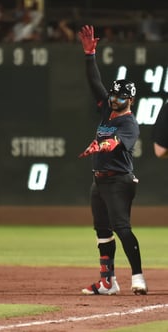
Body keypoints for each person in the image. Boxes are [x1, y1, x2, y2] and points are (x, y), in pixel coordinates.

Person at [77, 25, 147, 295]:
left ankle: (138, 277)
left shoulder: (130, 123)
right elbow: (95, 83)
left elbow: (116, 142)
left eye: (119, 96)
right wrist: (89, 55)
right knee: (102, 231)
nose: (114, 98)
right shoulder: (108, 108)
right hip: (100, 182)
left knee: (122, 227)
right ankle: (108, 281)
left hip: (120, 182)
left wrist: (100, 144)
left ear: (130, 99)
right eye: (113, 94)